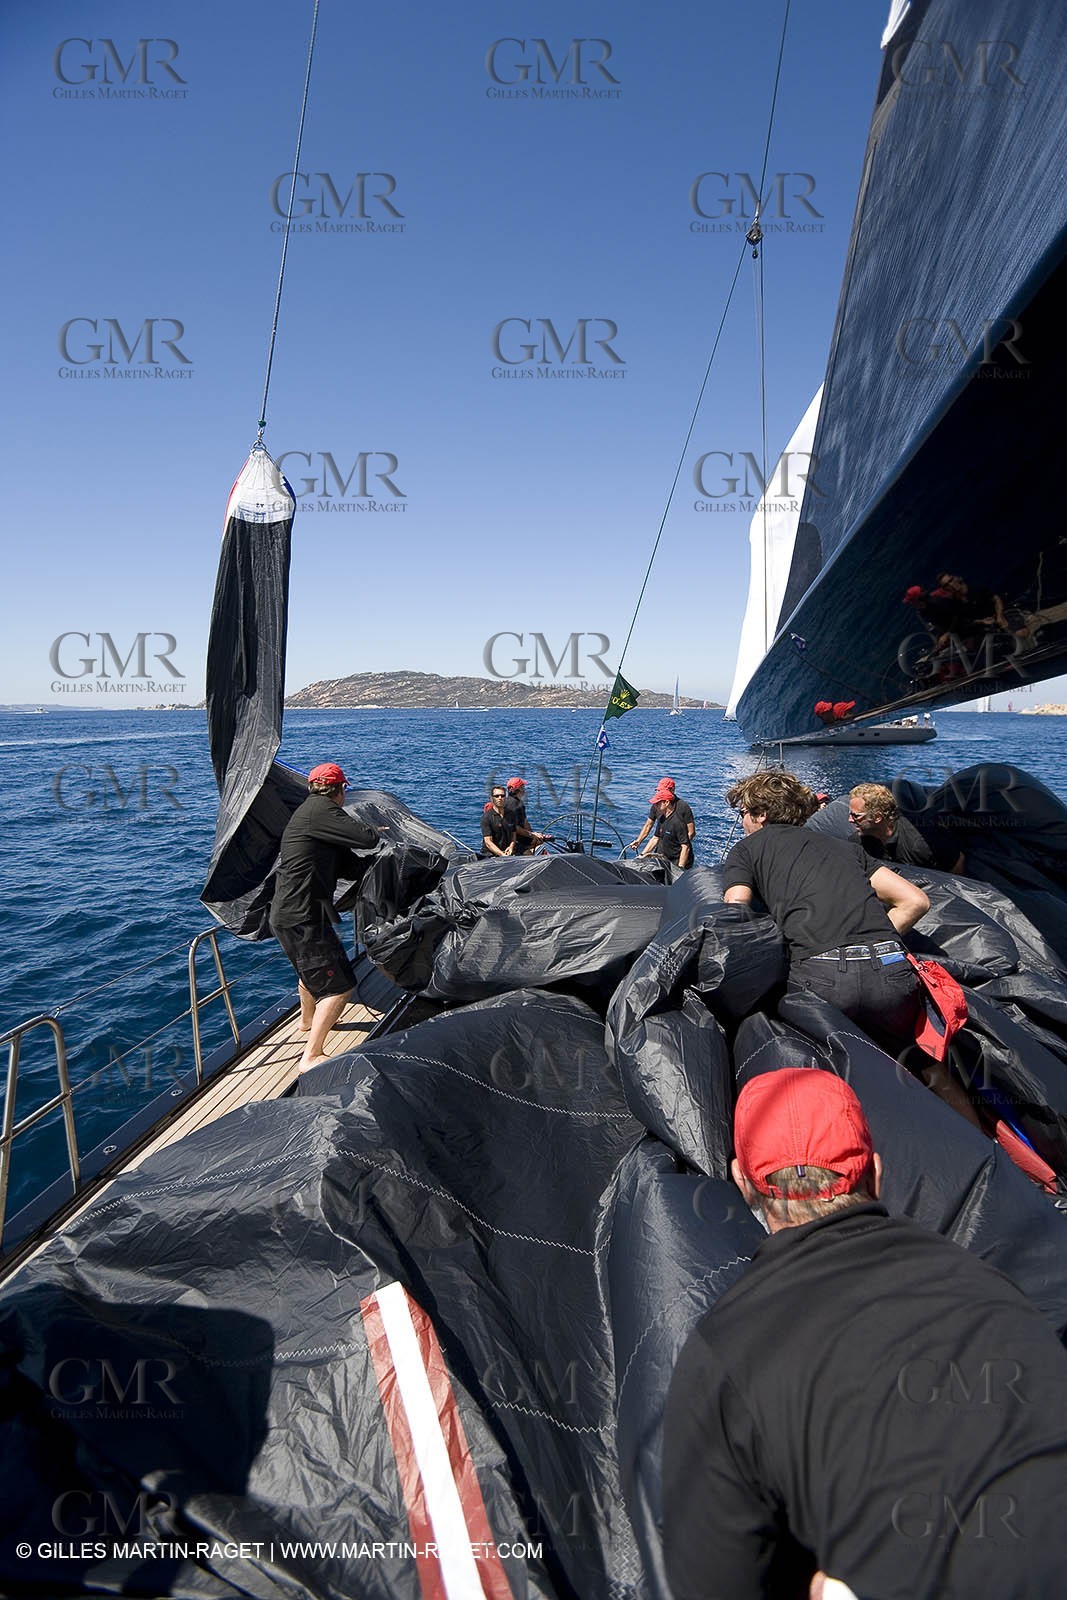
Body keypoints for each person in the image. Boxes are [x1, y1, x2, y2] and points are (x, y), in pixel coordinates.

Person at [662, 1068, 1067, 1600]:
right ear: (875, 1174)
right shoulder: (987, 1284)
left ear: (743, 1183)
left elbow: (715, 1582)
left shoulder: (725, 1353)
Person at [722, 771, 929, 1051]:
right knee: (919, 1064)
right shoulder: (846, 848)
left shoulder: (747, 849)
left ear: (760, 815)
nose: (743, 821)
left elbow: (735, 913)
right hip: (893, 975)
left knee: (811, 1062)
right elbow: (915, 901)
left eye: (744, 813)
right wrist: (870, 945)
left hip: (824, 977)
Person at [269, 762, 381, 1071]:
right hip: (302, 915)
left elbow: (348, 864)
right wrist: (380, 829)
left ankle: (307, 1021)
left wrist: (382, 865)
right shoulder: (321, 810)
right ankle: (311, 1055)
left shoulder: (311, 815)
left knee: (311, 971)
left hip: (295, 913)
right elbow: (366, 837)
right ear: (340, 790)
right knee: (340, 985)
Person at [849, 782, 965, 873]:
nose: (850, 820)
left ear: (877, 817)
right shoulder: (859, 841)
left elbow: (957, 862)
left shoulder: (919, 843)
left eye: (856, 816)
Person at [631, 778, 695, 855]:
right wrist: (639, 841)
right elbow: (649, 825)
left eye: (662, 790)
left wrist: (681, 848)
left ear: (672, 790)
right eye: (659, 790)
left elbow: (691, 832)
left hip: (678, 851)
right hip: (662, 849)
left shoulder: (683, 807)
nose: (659, 792)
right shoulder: (657, 804)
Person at [642, 787, 694, 870]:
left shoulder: (677, 822)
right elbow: (656, 838)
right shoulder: (661, 818)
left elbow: (685, 846)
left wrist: (680, 868)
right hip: (662, 859)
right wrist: (642, 855)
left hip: (674, 861)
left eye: (657, 803)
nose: (655, 806)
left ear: (666, 802)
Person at [503, 777, 550, 854]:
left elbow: (525, 822)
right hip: (513, 838)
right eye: (523, 786)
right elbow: (515, 827)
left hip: (519, 835)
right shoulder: (513, 804)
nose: (524, 789)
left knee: (538, 841)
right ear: (520, 789)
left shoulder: (518, 803)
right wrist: (531, 835)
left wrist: (533, 834)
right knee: (534, 847)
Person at [480, 784, 516, 858]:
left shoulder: (511, 814)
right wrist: (502, 855)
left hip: (507, 853)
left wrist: (511, 847)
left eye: (502, 796)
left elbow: (513, 834)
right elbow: (488, 842)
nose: (500, 798)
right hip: (491, 856)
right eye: (497, 796)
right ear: (492, 798)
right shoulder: (487, 817)